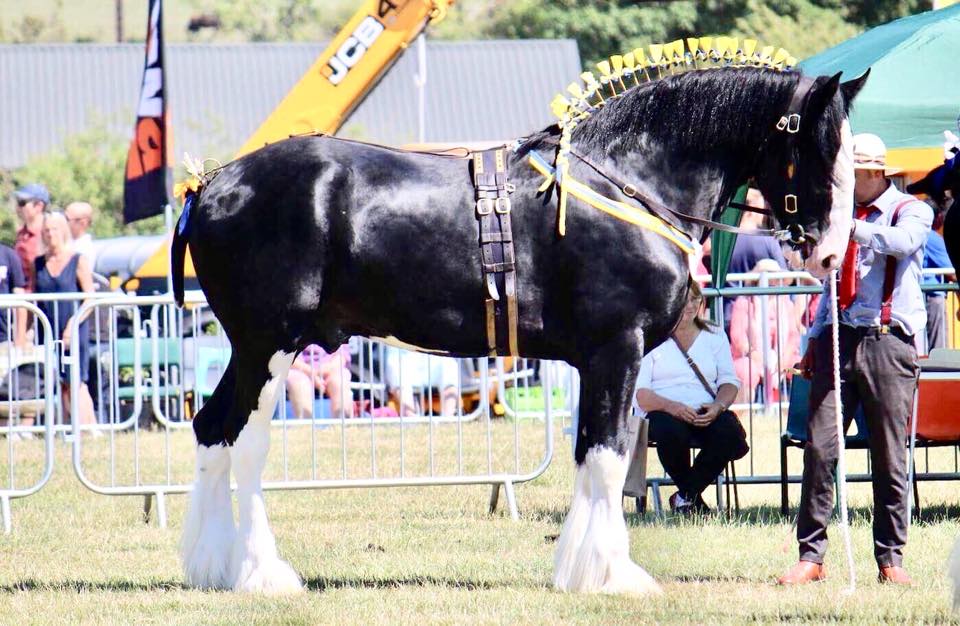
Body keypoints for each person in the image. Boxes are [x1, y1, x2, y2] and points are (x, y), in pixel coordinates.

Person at [778, 133, 932, 587]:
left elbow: (902, 243)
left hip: (888, 343)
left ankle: (890, 558)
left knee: (889, 456)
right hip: (838, 339)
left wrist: (851, 228)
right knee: (820, 448)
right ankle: (812, 556)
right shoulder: (839, 216)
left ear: (871, 174)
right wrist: (813, 336)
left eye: (850, 175)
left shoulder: (912, 209)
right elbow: (829, 286)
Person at [634, 281, 748, 514]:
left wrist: (718, 406)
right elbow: (641, 394)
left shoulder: (714, 334)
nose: (687, 307)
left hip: (705, 409)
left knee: (729, 432)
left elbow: (729, 381)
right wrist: (671, 407)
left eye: (692, 301)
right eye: (680, 301)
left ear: (700, 303)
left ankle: (685, 495)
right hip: (663, 411)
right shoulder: (652, 335)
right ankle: (691, 500)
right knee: (670, 431)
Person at [34, 212, 97, 426]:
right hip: (49, 329)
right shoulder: (39, 264)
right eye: (46, 230)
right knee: (60, 382)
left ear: (63, 231)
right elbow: (34, 297)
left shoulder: (78, 260)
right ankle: (65, 427)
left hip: (73, 328)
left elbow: (89, 297)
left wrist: (73, 324)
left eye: (54, 229)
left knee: (77, 380)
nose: (50, 234)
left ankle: (89, 428)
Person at [728, 259, 801, 404]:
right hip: (750, 357)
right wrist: (756, 356)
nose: (772, 281)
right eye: (767, 276)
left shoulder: (786, 304)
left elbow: (793, 337)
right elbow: (738, 337)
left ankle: (794, 415)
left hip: (782, 358)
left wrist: (783, 360)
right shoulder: (743, 302)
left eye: (774, 277)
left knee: (799, 368)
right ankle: (744, 417)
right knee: (744, 370)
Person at [383, 347, 461, 416]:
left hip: (434, 358)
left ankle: (448, 418)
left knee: (450, 365)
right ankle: (409, 416)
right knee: (396, 366)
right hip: (404, 358)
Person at [286, 344, 354, 418]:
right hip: (298, 369)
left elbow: (341, 355)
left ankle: (341, 426)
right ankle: (305, 426)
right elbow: (285, 356)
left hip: (331, 368)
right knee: (299, 383)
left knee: (340, 381)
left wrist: (325, 369)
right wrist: (310, 372)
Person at [13, 183, 49, 292]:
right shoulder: (21, 234)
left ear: (39, 206)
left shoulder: (49, 234)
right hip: (21, 297)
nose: (18, 208)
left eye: (22, 203)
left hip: (40, 298)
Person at [64, 201, 96, 268]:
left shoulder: (85, 249)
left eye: (67, 219)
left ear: (83, 223)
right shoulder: (66, 242)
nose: (63, 221)